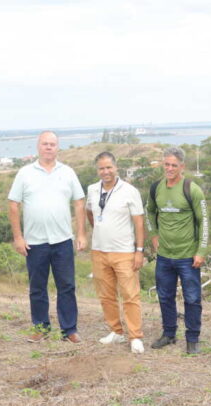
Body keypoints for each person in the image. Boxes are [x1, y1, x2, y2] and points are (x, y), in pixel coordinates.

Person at [8, 131, 86, 343]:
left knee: (67, 286)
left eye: (52, 144)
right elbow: (13, 205)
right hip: (35, 242)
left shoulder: (68, 172)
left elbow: (79, 202)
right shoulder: (25, 173)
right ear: (38, 147)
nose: (49, 147)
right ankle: (41, 328)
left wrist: (81, 233)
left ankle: (69, 330)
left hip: (62, 240)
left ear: (57, 147)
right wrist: (18, 237)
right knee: (37, 288)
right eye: (45, 144)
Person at [146, 147, 210, 354]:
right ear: (162, 164)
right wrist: (153, 234)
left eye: (174, 165)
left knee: (192, 298)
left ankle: (192, 338)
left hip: (188, 256)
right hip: (164, 255)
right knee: (165, 296)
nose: (170, 168)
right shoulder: (156, 188)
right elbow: (150, 211)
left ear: (182, 166)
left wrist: (201, 251)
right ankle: (169, 334)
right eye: (167, 164)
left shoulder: (192, 189)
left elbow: (204, 222)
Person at [85, 152, 146, 354]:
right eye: (101, 168)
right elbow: (90, 213)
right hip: (99, 251)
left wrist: (139, 251)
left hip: (124, 252)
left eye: (109, 167)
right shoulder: (93, 189)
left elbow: (138, 222)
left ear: (116, 167)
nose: (105, 171)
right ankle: (116, 331)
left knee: (130, 295)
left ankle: (135, 336)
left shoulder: (129, 191)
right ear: (97, 170)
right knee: (106, 295)